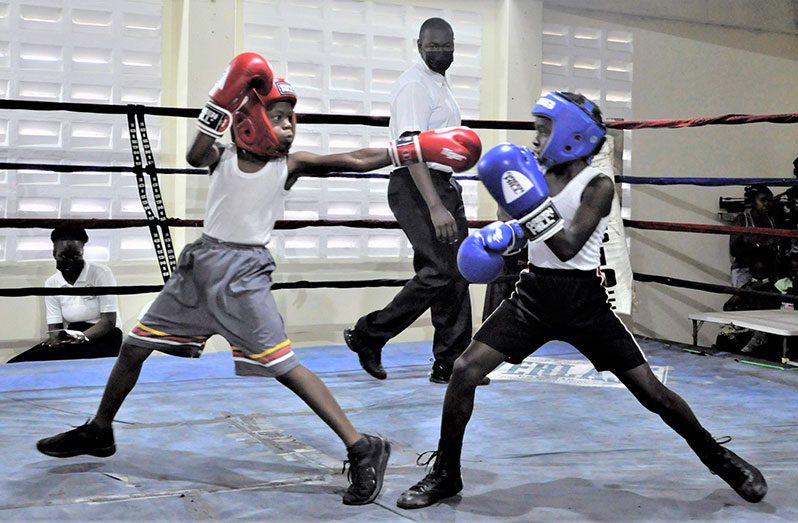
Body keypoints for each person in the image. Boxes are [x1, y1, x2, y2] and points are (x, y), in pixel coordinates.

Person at [35, 53, 479, 506]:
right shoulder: (222, 157)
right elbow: (193, 154)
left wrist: (414, 149)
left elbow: (353, 157)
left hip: (243, 276)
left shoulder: (287, 165)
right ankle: (100, 428)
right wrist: (222, 100)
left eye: (292, 119)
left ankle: (362, 446)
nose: (288, 127)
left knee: (283, 367)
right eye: (279, 117)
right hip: (197, 268)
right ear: (249, 121)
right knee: (133, 346)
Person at [396, 92, 767, 509]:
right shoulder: (533, 171)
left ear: (571, 134)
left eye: (544, 129)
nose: (536, 138)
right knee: (464, 370)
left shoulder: (598, 185)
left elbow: (569, 245)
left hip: (582, 300)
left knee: (651, 392)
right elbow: (516, 226)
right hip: (533, 295)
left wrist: (530, 211)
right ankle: (446, 473)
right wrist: (504, 231)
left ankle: (719, 458)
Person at [344, 17, 484, 385]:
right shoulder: (414, 85)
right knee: (440, 270)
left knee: (457, 273)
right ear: (418, 45)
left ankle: (451, 363)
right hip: (416, 183)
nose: (440, 51)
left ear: (454, 45)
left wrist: (447, 193)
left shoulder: (440, 84)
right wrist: (436, 205)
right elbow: (409, 148)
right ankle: (369, 334)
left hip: (441, 183)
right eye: (432, 45)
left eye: (446, 45)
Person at [8, 226, 122, 363]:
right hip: (72, 335)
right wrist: (55, 341)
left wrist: (81, 337)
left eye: (76, 256)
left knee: (48, 361)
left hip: (105, 336)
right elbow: (54, 327)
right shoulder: (52, 283)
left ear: (82, 252)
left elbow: (108, 322)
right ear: (54, 253)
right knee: (18, 363)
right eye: (63, 256)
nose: (70, 261)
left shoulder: (101, 273)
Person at [729, 184, 778, 288]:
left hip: (766, 271)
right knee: (743, 301)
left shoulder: (772, 219)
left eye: (769, 200)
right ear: (753, 202)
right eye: (763, 200)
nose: (767, 204)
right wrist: (759, 246)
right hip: (744, 269)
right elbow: (734, 250)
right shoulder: (742, 219)